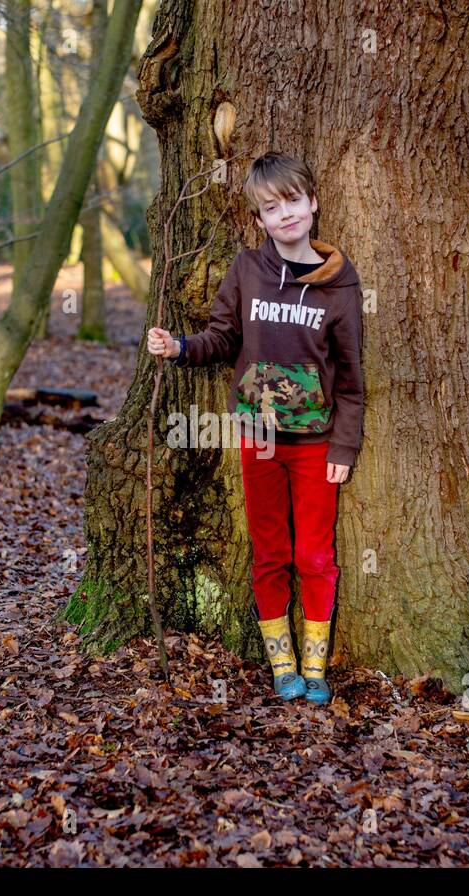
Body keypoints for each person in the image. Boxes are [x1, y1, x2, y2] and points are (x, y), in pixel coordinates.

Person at [145, 152, 365, 704]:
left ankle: (316, 667)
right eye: (272, 207)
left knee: (315, 557)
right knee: (270, 552)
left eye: (293, 201)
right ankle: (282, 663)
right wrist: (179, 348)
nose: (285, 214)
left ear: (312, 202)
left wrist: (344, 441)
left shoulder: (339, 284)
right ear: (260, 219)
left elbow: (352, 378)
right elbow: (222, 338)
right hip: (259, 438)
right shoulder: (247, 270)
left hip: (316, 443)